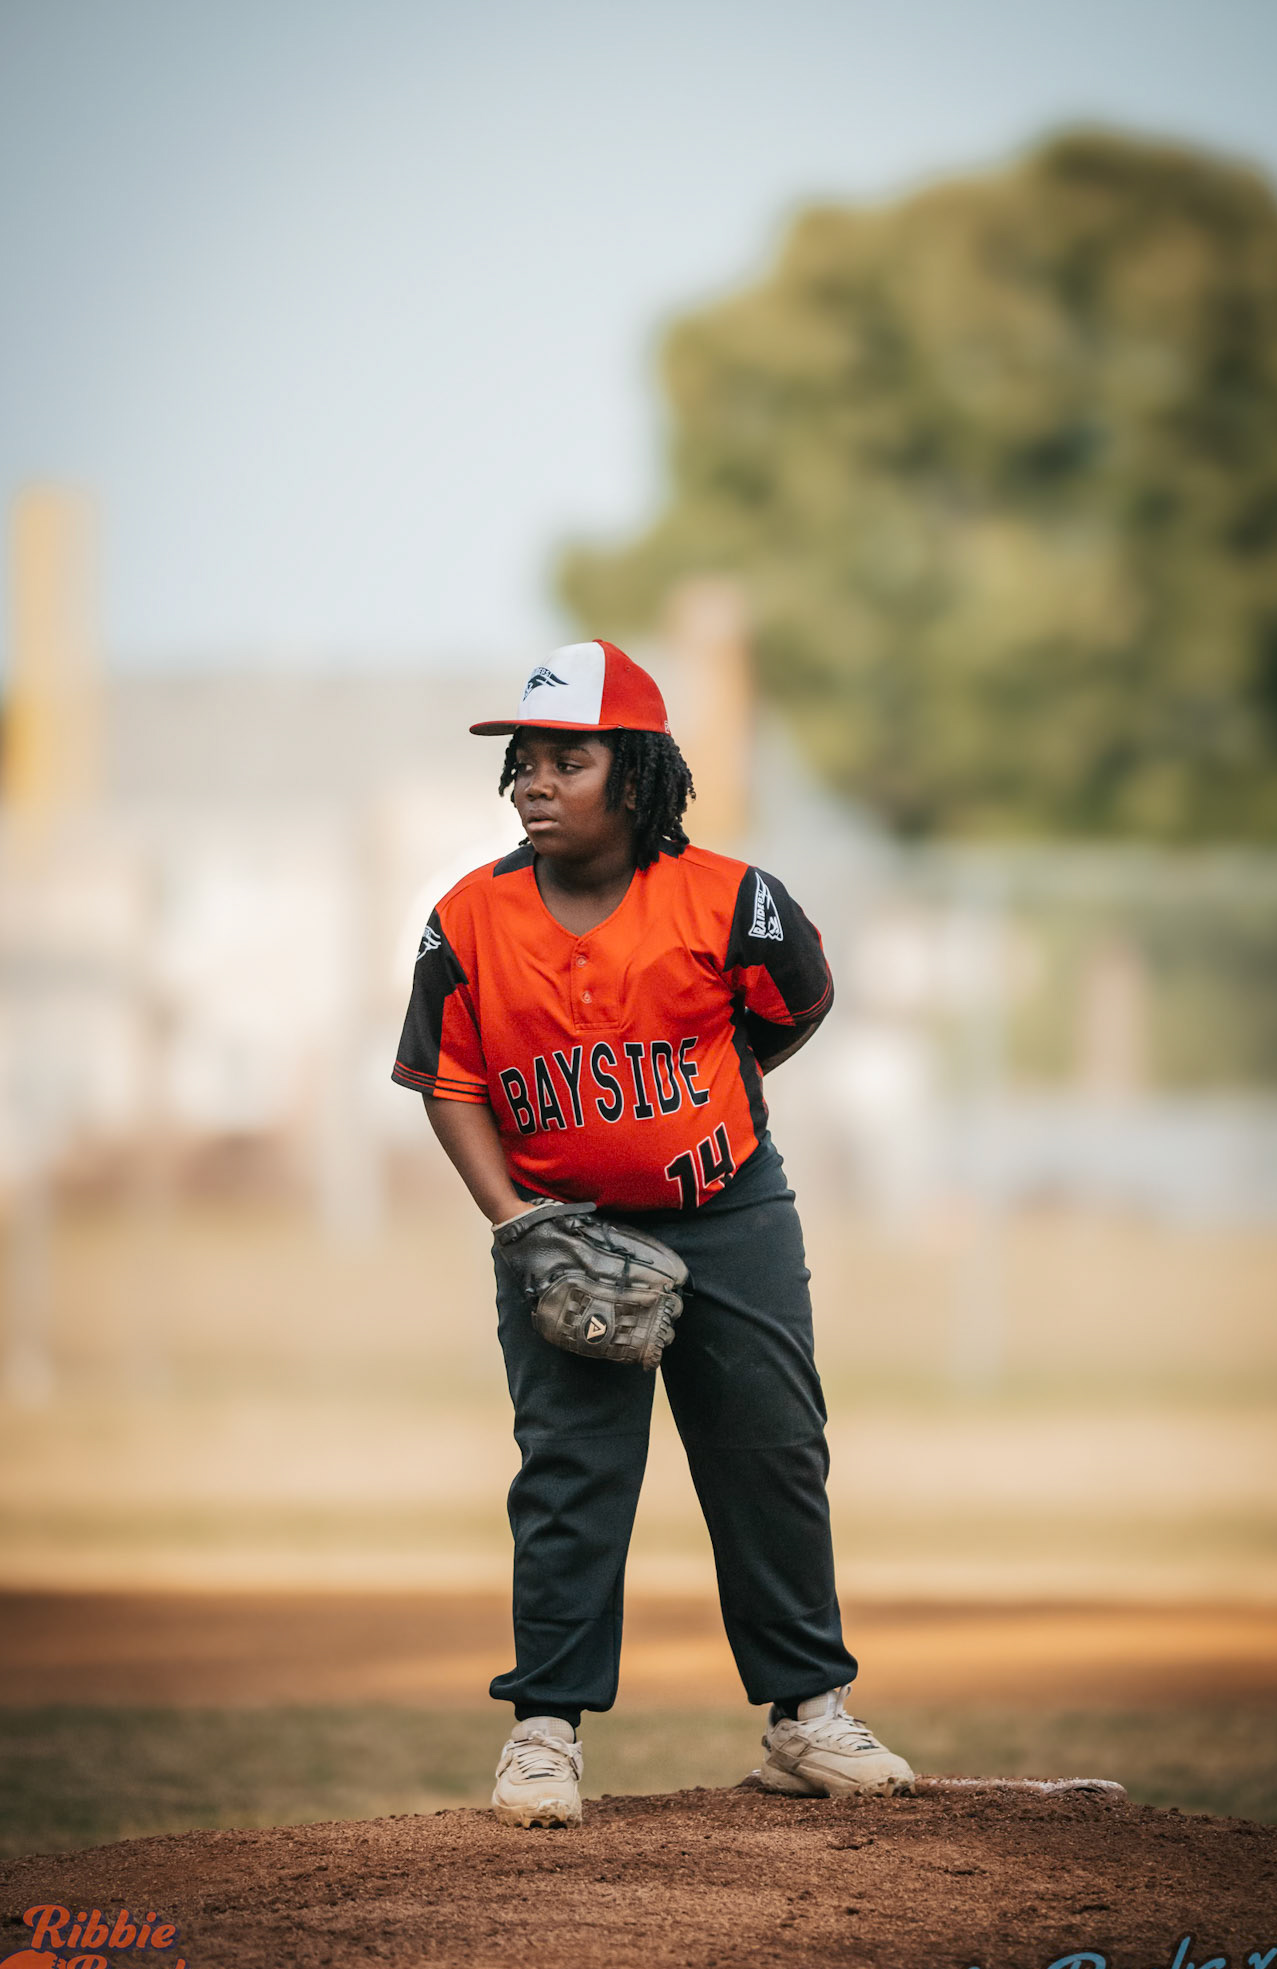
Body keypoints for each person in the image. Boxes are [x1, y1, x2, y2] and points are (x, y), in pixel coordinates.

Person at [391, 639, 914, 1826]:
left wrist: (696, 1109)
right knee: (572, 1471)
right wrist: (518, 1220)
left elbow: (796, 1007)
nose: (531, 781)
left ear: (634, 773)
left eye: (564, 759)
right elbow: (447, 1080)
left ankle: (806, 1716)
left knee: (770, 1450)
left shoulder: (733, 898)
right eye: (522, 760)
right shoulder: (467, 917)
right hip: (560, 1225)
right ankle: (543, 1732)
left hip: (730, 1211)